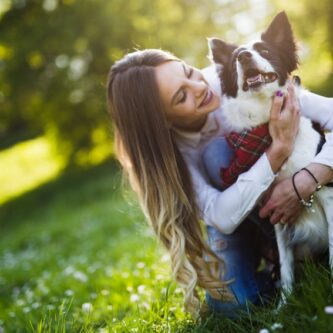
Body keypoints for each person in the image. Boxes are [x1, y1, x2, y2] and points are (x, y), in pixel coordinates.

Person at [106, 49, 333, 317]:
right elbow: (220, 216)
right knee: (234, 302)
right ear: (163, 122)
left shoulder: (233, 76)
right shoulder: (171, 154)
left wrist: (308, 179)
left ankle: (307, 246)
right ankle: (283, 258)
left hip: (307, 186)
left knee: (217, 155)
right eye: (182, 96)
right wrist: (278, 150)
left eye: (190, 72)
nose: (200, 87)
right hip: (242, 220)